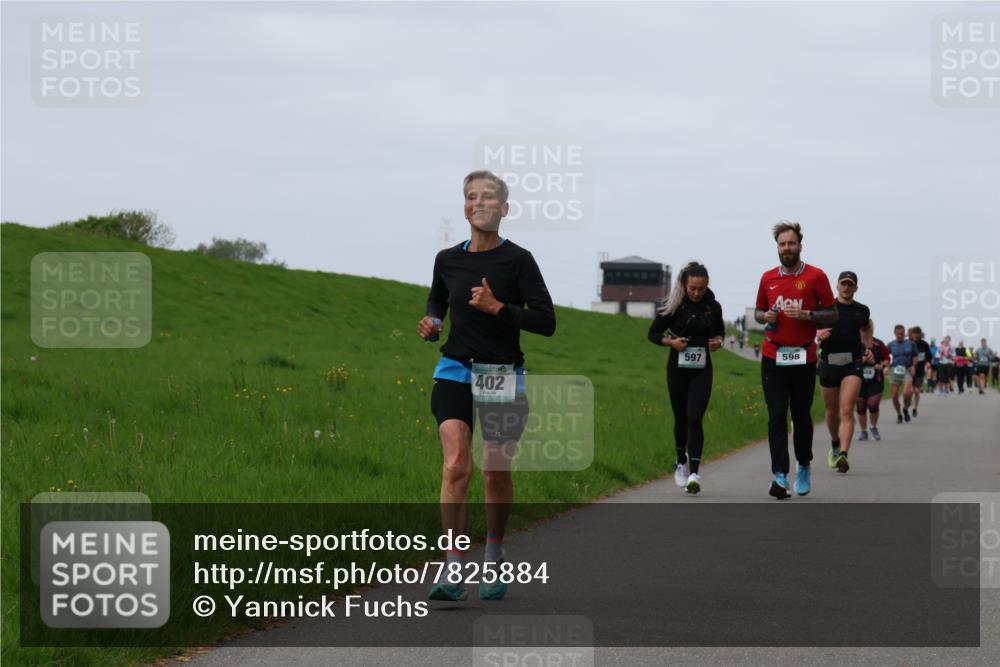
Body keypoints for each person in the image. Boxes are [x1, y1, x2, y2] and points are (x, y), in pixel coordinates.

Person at [419, 170, 556, 602]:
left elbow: (546, 321)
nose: (479, 203)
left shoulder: (518, 260)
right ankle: (453, 565)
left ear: (504, 208)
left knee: (494, 471)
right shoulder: (447, 259)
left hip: (501, 371)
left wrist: (500, 308)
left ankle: (494, 556)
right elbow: (438, 296)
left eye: (489, 197)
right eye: (471, 196)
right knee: (457, 463)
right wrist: (433, 321)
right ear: (465, 206)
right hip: (455, 368)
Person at [754, 221, 837, 499]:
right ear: (777, 247)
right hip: (773, 354)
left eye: (791, 243)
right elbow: (758, 311)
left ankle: (803, 465)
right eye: (781, 244)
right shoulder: (768, 278)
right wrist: (765, 317)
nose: (786, 248)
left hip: (803, 356)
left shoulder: (816, 276)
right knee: (777, 414)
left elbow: (833, 315)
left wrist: (810, 316)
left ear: (800, 245)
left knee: (800, 416)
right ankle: (779, 474)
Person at [648, 261, 724, 494]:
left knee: (694, 418)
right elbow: (652, 333)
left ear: (707, 285)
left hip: (702, 368)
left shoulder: (713, 306)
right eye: (692, 288)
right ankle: (681, 461)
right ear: (684, 284)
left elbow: (719, 331)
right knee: (680, 418)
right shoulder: (674, 306)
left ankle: (694, 473)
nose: (696, 293)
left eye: (701, 288)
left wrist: (718, 342)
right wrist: (671, 342)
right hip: (677, 368)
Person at [816, 271, 870, 474]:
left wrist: (868, 345)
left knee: (846, 409)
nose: (847, 287)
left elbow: (866, 326)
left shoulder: (862, 310)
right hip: (828, 364)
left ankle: (844, 455)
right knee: (831, 413)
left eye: (851, 284)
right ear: (836, 286)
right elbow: (810, 328)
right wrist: (817, 335)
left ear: (856, 288)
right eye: (843, 284)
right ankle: (835, 444)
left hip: (852, 364)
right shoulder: (825, 309)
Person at [857, 319, 889, 442]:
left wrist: (882, 365)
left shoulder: (879, 344)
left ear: (872, 328)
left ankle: (873, 427)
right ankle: (863, 431)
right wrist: (862, 361)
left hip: (876, 379)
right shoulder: (854, 343)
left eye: (868, 327)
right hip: (858, 379)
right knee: (860, 406)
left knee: (872, 404)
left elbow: (886, 359)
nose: (866, 330)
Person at [886, 324, 918, 423]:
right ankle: (899, 414)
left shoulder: (911, 344)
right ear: (895, 334)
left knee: (907, 393)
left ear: (904, 334)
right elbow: (886, 357)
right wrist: (886, 366)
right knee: (894, 395)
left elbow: (915, 356)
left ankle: (905, 408)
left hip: (907, 370)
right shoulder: (891, 344)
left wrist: (914, 365)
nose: (900, 335)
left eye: (902, 334)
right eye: (898, 334)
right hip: (895, 370)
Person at [908, 326, 931, 417]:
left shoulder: (924, 344)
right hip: (909, 369)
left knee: (916, 391)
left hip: (920, 370)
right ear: (912, 334)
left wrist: (928, 362)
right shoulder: (908, 343)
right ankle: (907, 404)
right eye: (914, 333)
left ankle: (915, 408)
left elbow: (929, 356)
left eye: (917, 333)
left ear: (920, 334)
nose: (915, 335)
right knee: (909, 391)